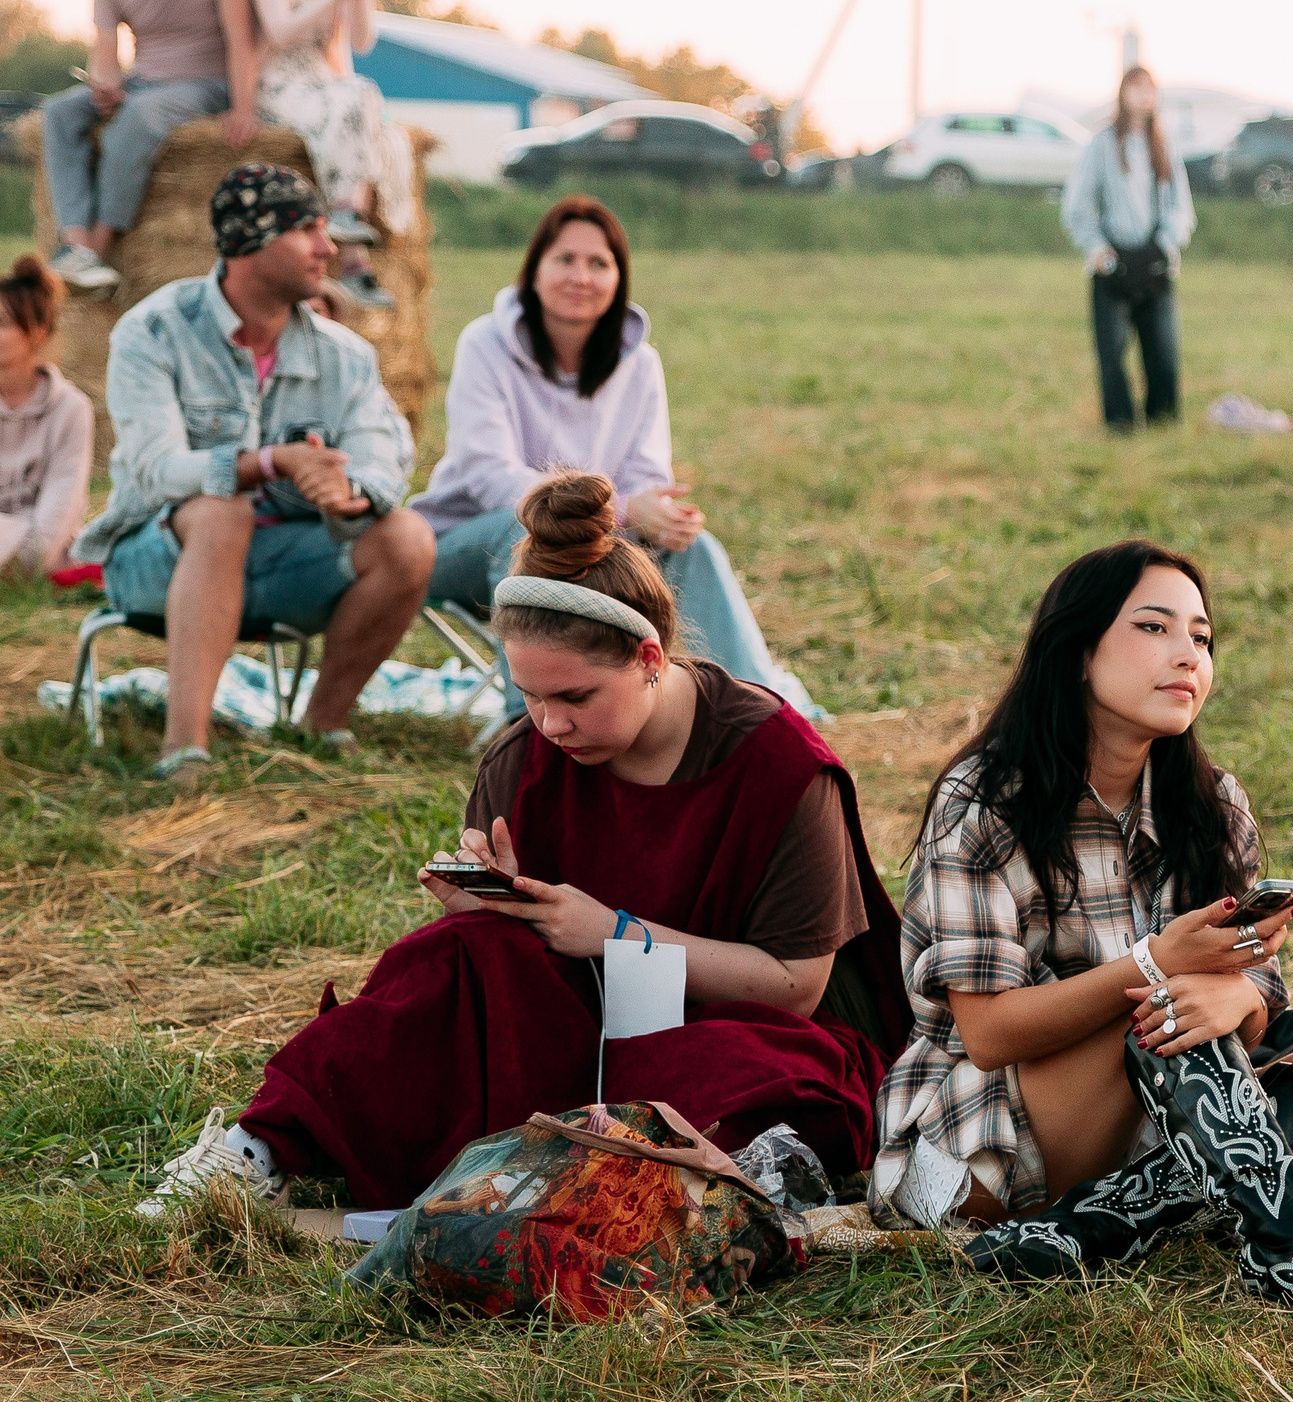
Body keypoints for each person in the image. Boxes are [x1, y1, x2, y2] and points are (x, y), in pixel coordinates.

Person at [136, 472, 910, 1218]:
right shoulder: (524, 757)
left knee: (743, 1086)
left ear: (649, 659)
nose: (551, 724)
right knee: (446, 960)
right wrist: (493, 916)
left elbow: (793, 986)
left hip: (739, 1030)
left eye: (575, 696)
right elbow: (516, 986)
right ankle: (258, 1148)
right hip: (577, 1029)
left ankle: (553, 1164)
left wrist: (614, 934)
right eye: (530, 696)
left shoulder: (779, 766)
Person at [874, 539, 1293, 1332]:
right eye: (1153, 628)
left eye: (1202, 637)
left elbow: (1252, 1012)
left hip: (1157, 1117)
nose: (1187, 655)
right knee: (1165, 1003)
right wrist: (1158, 964)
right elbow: (990, 1035)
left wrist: (1239, 996)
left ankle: (1098, 1224)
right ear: (1078, 651)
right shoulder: (986, 802)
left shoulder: (1212, 805)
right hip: (993, 1131)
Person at [75, 164, 434, 784]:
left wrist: (345, 491)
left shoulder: (344, 355)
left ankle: (321, 724)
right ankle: (184, 748)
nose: (329, 248)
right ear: (249, 241)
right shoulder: (155, 330)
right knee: (222, 511)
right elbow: (157, 471)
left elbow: (383, 455)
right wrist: (272, 463)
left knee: (407, 537)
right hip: (155, 564)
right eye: (307, 230)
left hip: (282, 568)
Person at [418, 196, 820, 718]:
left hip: (592, 545)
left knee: (692, 547)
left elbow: (647, 476)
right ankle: (532, 730)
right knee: (525, 529)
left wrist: (661, 515)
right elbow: (490, 479)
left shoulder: (641, 365)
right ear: (534, 270)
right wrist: (626, 510)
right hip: (464, 543)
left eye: (599, 263)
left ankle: (748, 715)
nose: (580, 277)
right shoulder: (484, 344)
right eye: (565, 259)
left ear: (618, 279)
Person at [42, 0, 260, 294]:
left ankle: (98, 249)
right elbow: (105, 51)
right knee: (58, 112)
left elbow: (242, 41)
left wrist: (244, 109)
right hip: (141, 83)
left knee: (137, 117)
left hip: (205, 85)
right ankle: (76, 246)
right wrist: (105, 85)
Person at [251, 0, 415, 312]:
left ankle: (348, 219)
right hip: (281, 85)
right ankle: (351, 245)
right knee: (358, 101)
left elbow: (361, 42)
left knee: (381, 124)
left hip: (325, 85)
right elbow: (280, 33)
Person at [1061, 65, 1194, 432]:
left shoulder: (1164, 145)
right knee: (1113, 353)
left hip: (1154, 263)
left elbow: (1181, 208)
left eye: (1149, 88)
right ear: (1122, 93)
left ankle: (1162, 421)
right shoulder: (1101, 144)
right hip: (1113, 264)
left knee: (1162, 351)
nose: (1143, 95)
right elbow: (1078, 207)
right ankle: (1119, 423)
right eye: (1135, 87)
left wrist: (1164, 247)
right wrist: (1098, 250)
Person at [0, 258, 94, 579]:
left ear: (38, 333)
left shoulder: (70, 408)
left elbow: (57, 517)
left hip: (43, 553)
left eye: (2, 324)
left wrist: (22, 567)